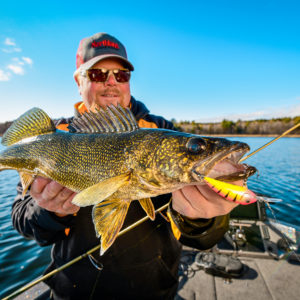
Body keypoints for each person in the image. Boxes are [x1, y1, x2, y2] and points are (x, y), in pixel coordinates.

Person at [11, 33, 241, 299]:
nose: (111, 82)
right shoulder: (53, 136)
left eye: (122, 75)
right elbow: (21, 219)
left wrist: (205, 218)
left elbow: (200, 239)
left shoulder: (162, 131)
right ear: (79, 80)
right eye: (98, 74)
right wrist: (49, 212)